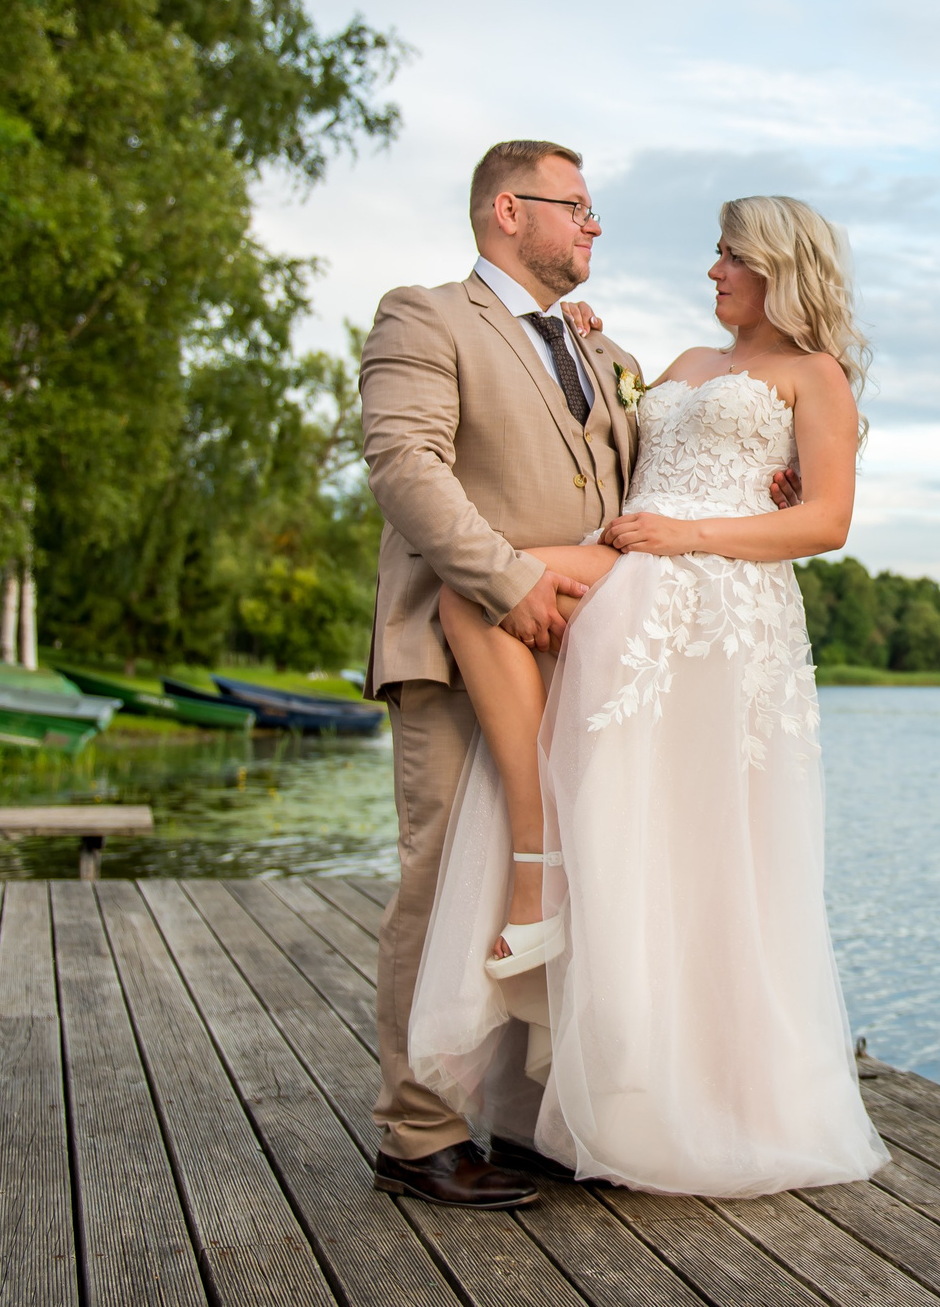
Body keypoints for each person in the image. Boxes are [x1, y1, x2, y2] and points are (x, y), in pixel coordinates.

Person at [409, 194, 889, 1198]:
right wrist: (594, 341)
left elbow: (826, 519)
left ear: (774, 267)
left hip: (715, 598)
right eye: (714, 255)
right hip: (631, 568)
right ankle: (540, 877)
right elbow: (633, 436)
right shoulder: (677, 364)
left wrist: (688, 536)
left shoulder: (816, 375)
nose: (711, 272)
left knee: (681, 837)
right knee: (477, 590)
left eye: (727, 257)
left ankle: (675, 1096)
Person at [356, 139, 643, 1207]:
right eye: (577, 205)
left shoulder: (596, 345)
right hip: (455, 638)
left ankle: (527, 1121)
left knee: (567, 870)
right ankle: (418, 1132)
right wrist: (507, 577)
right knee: (441, 881)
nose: (593, 224)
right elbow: (406, 467)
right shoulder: (424, 316)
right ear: (507, 211)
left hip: (584, 648)